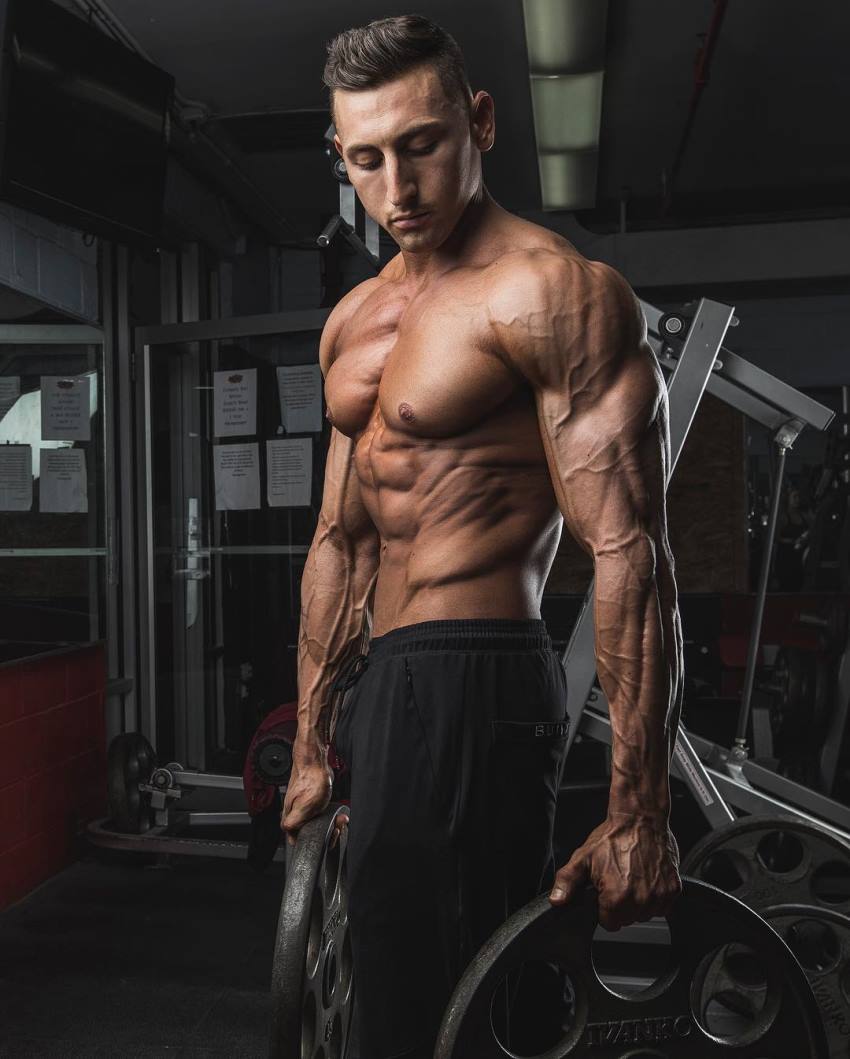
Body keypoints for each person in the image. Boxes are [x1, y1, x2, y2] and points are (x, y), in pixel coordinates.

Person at [281, 14, 683, 1058]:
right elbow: (340, 542)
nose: (397, 187)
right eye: (366, 159)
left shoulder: (549, 293)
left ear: (481, 122)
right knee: (389, 983)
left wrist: (639, 807)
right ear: (342, 157)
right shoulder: (354, 323)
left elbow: (629, 550)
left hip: (479, 672)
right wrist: (313, 742)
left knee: (479, 997)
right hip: (385, 684)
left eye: (420, 144)